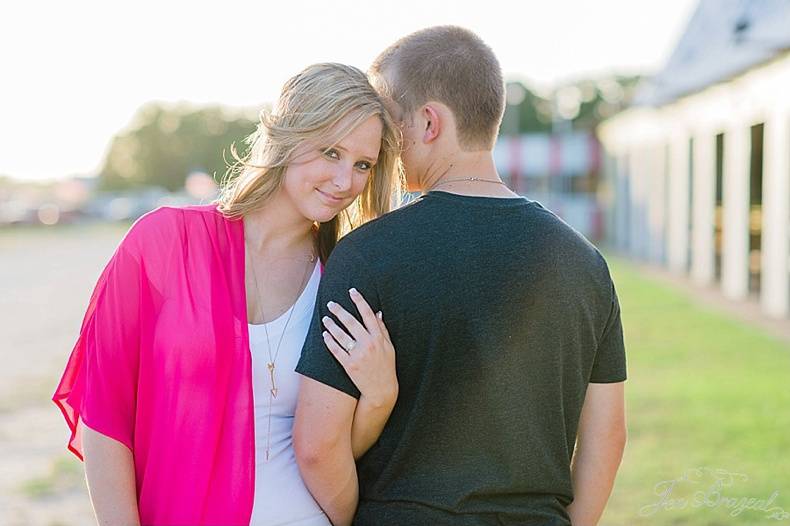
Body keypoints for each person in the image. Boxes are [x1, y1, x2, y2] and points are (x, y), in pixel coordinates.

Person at [294, 26, 628, 526]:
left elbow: (319, 447)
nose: (381, 143)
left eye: (389, 123)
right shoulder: (585, 263)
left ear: (429, 122)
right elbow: (608, 435)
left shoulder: (366, 254)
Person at [51, 62, 403, 525]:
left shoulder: (341, 280)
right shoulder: (162, 244)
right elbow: (106, 415)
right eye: (330, 152)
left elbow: (330, 446)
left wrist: (379, 397)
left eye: (363, 165)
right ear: (288, 135)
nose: (345, 182)